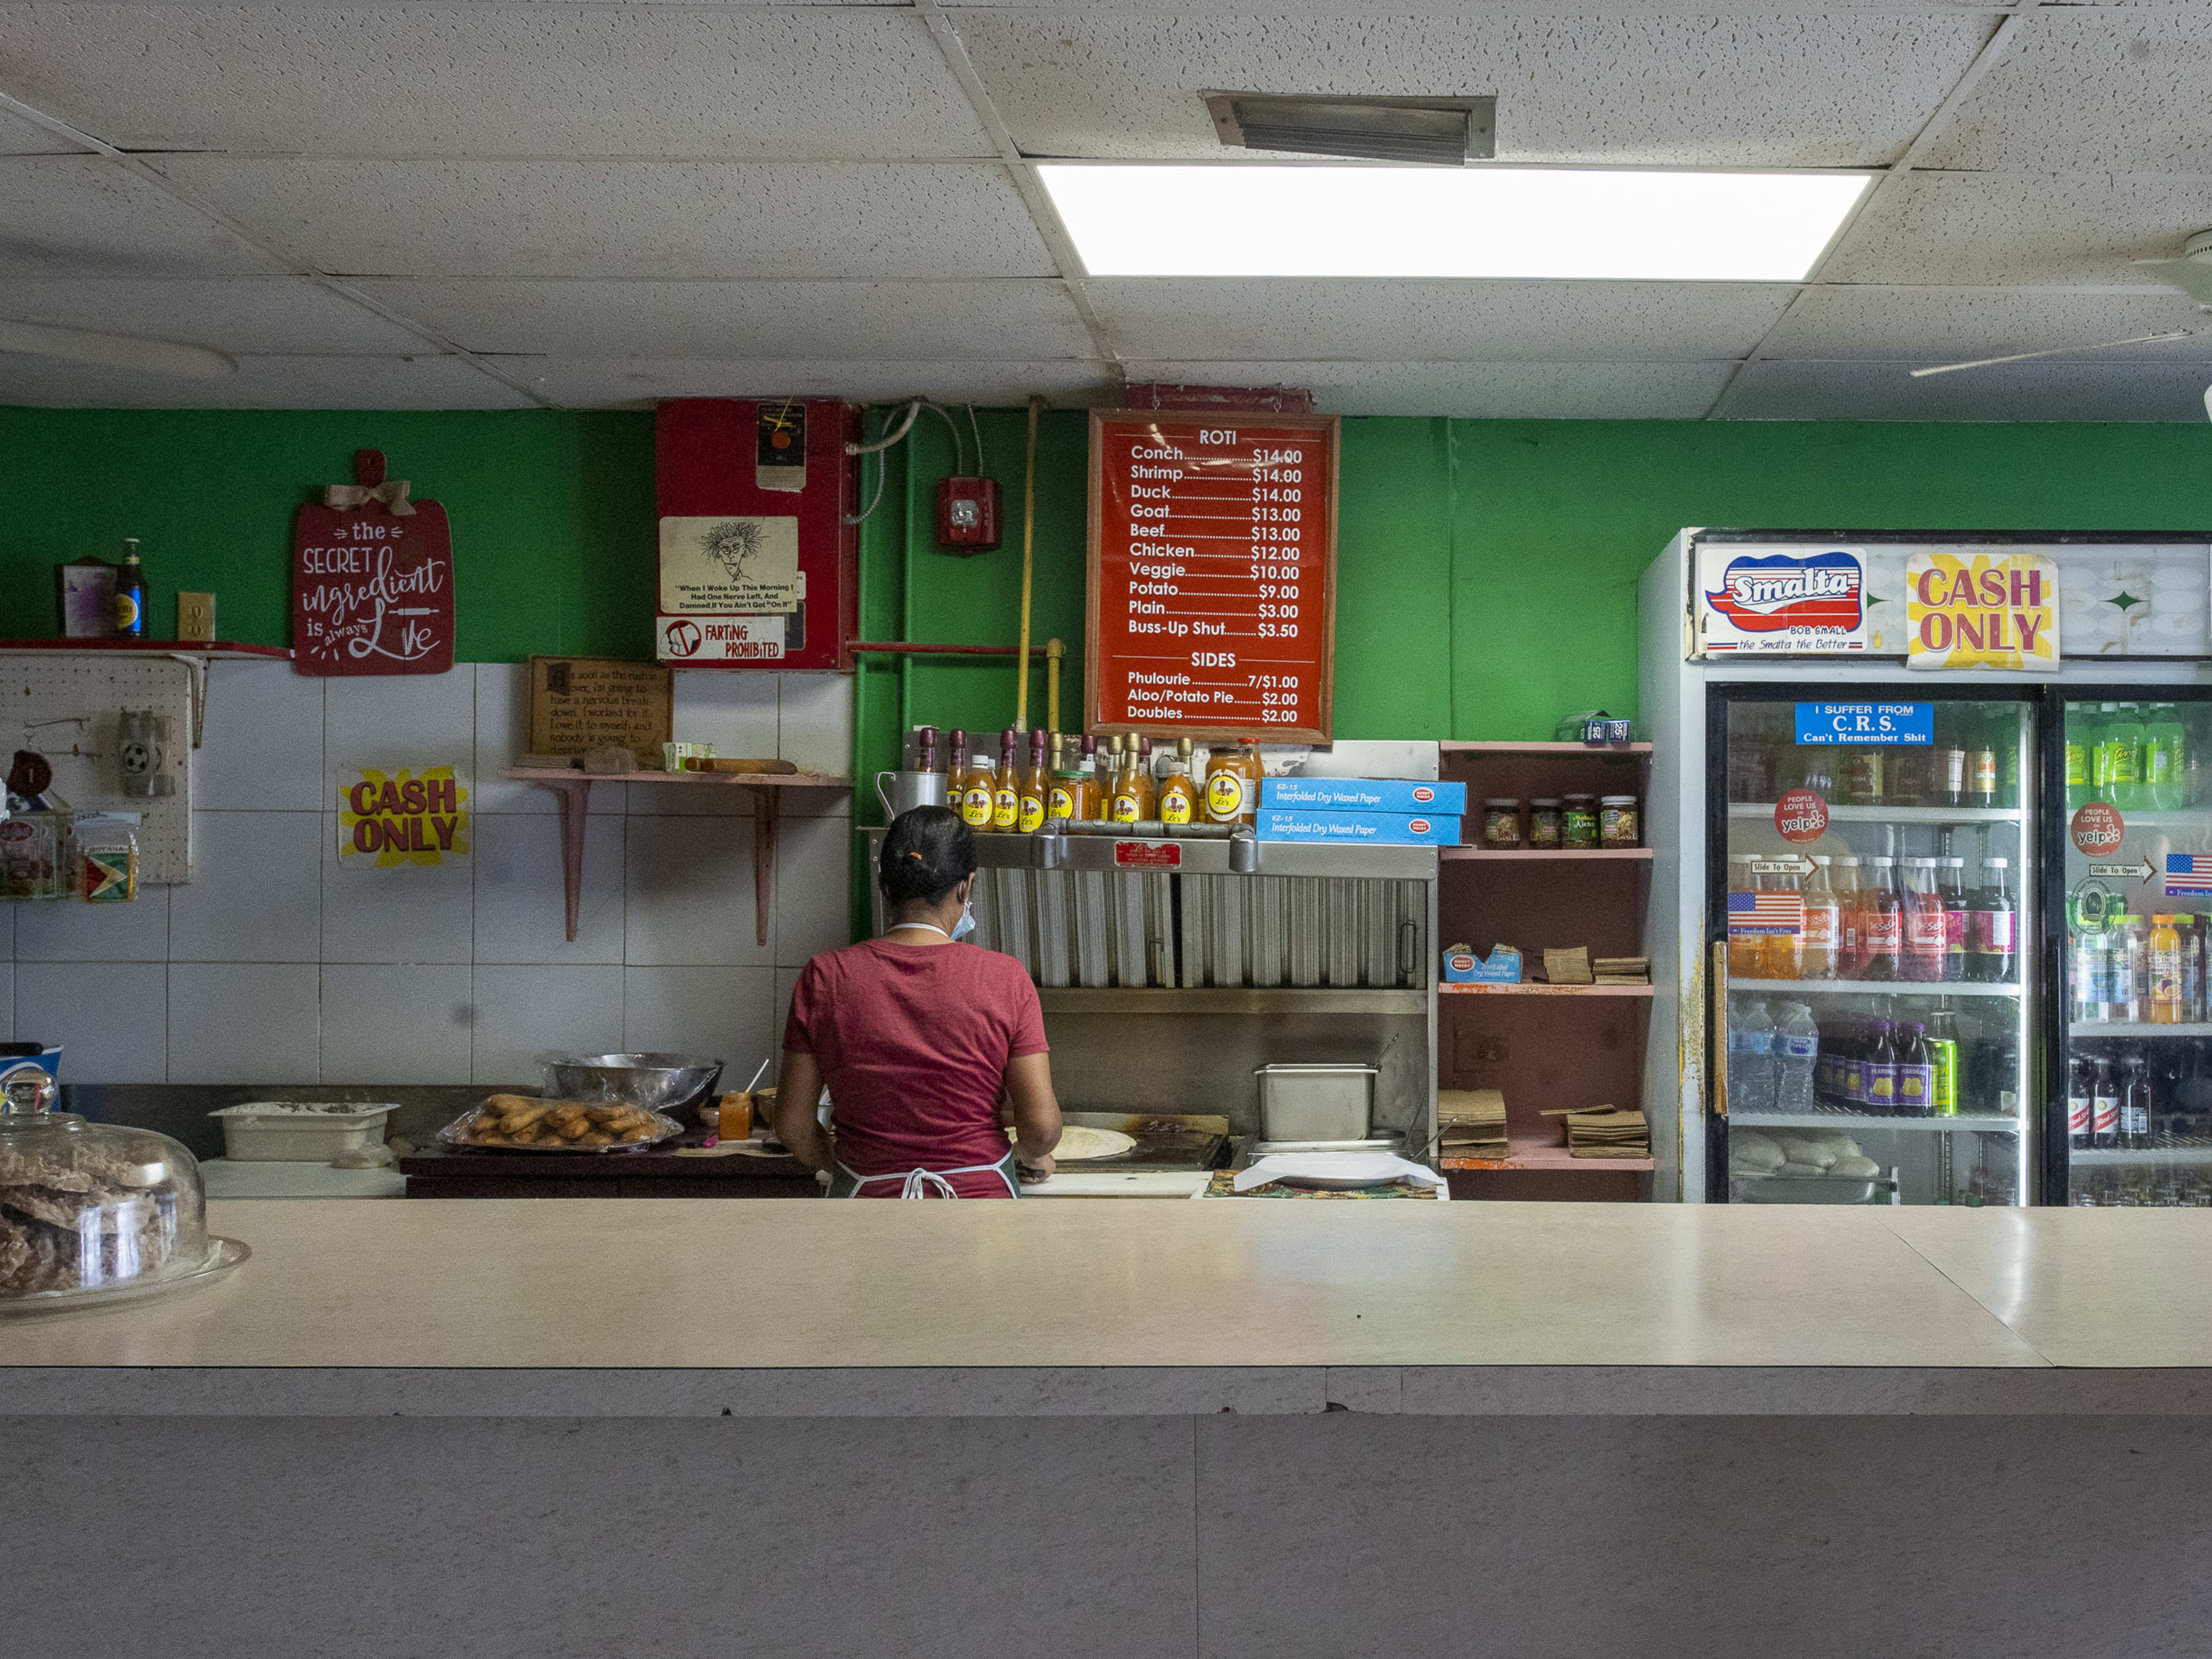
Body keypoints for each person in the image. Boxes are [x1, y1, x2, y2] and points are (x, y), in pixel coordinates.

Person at [774, 806, 1061, 1196]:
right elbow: (1041, 1130)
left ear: (885, 885)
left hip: (867, 1202)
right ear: (966, 888)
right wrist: (1029, 1155)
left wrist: (841, 1164)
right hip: (983, 1212)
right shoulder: (1005, 977)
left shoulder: (825, 976)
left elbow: (792, 1126)